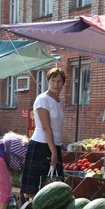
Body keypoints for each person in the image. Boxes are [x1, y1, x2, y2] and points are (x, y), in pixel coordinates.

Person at [20, 67, 66, 197]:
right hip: (41, 145)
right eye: (53, 81)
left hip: (54, 145)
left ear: (63, 83)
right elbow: (46, 127)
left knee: (54, 189)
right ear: (48, 81)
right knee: (36, 190)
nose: (56, 84)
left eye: (59, 81)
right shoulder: (42, 99)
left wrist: (56, 148)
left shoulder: (59, 100)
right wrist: (53, 152)